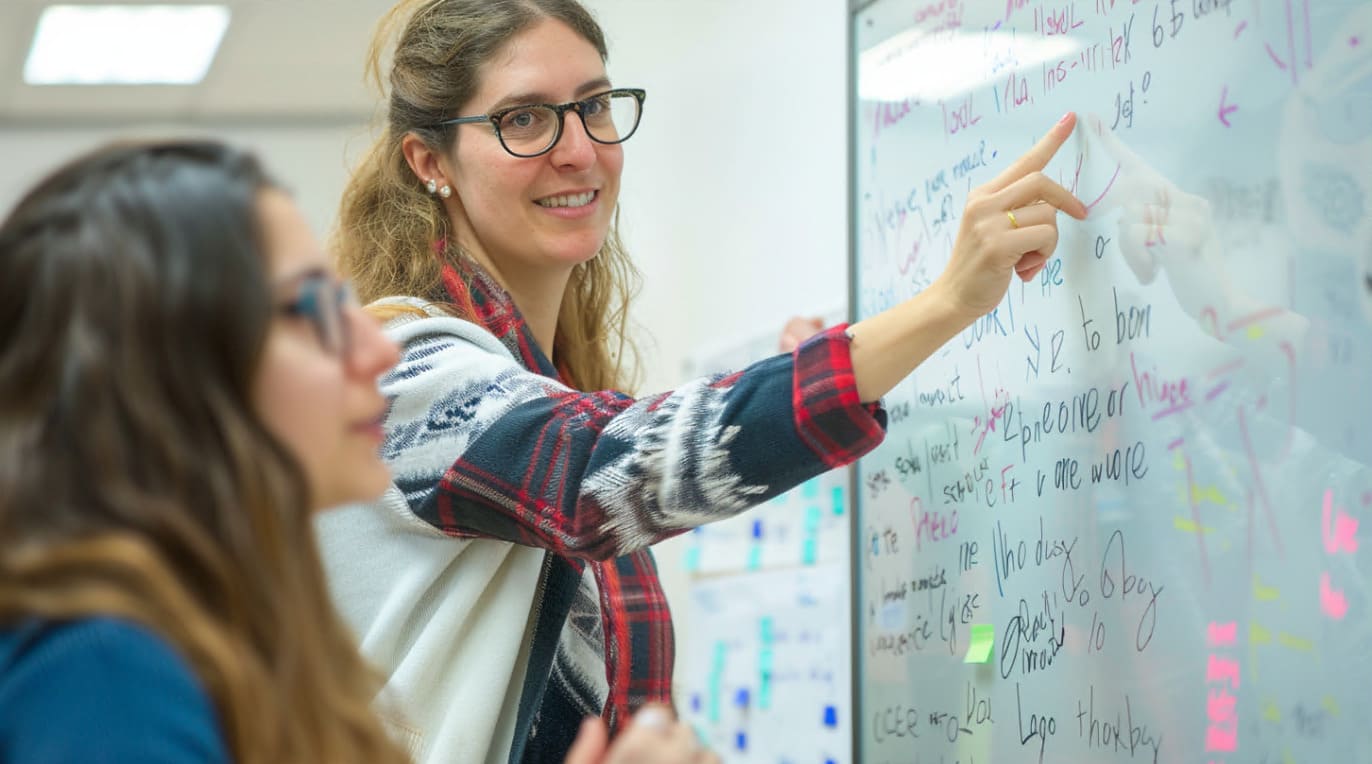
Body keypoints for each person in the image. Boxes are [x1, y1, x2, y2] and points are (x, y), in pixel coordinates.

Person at [320, 1, 1088, 762]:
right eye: (524, 119)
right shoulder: (399, 375)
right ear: (429, 161)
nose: (579, 149)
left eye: (593, 106)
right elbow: (599, 473)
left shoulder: (546, 383)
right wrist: (946, 304)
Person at [0, 140, 715, 764]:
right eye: (308, 310)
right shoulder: (100, 672)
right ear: (172, 372)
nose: (374, 346)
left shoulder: (242, 639)